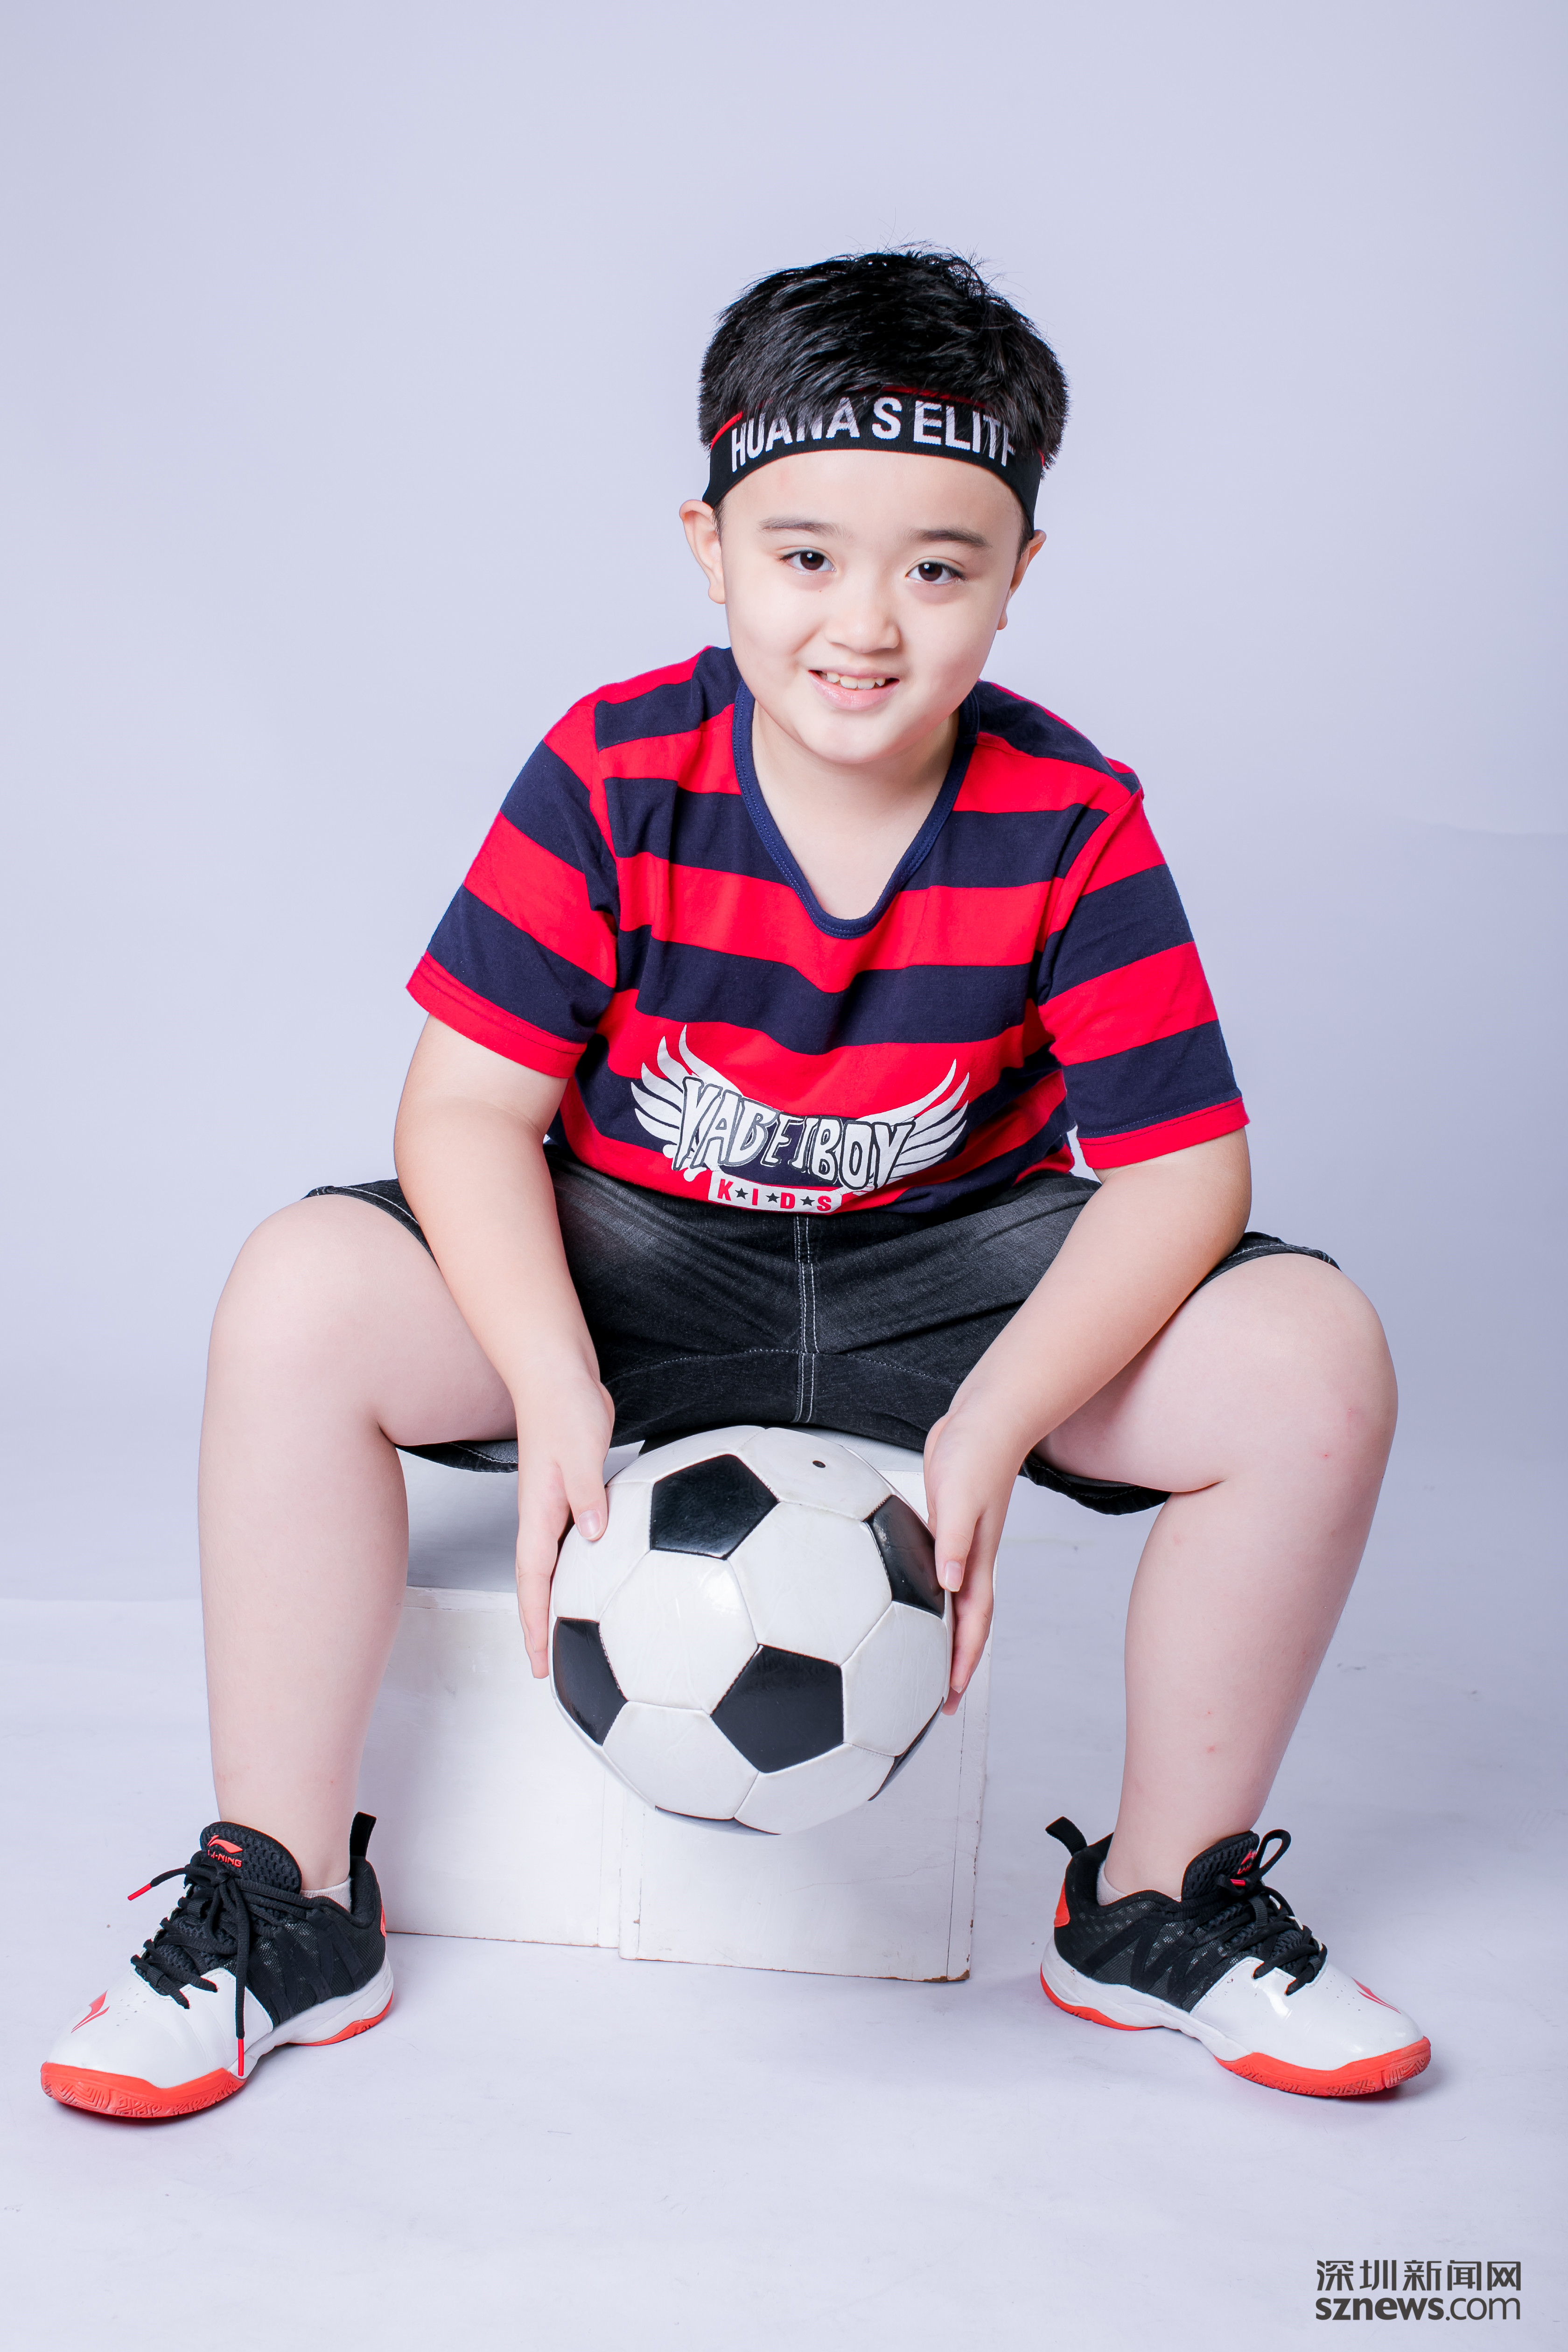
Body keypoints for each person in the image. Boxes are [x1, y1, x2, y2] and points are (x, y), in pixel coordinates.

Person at [42, 249, 1428, 2121]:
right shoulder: (617, 768)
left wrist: (999, 1422)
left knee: (1313, 1357)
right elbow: (463, 1114)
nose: (866, 623)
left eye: (938, 569)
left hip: (951, 1279)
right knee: (299, 1291)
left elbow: (1184, 1170)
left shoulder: (1069, 815)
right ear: (709, 547)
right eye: (807, 555)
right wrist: (553, 1387)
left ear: (1020, 574)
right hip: (642, 1264)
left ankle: (1159, 1900)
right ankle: (282, 1897)